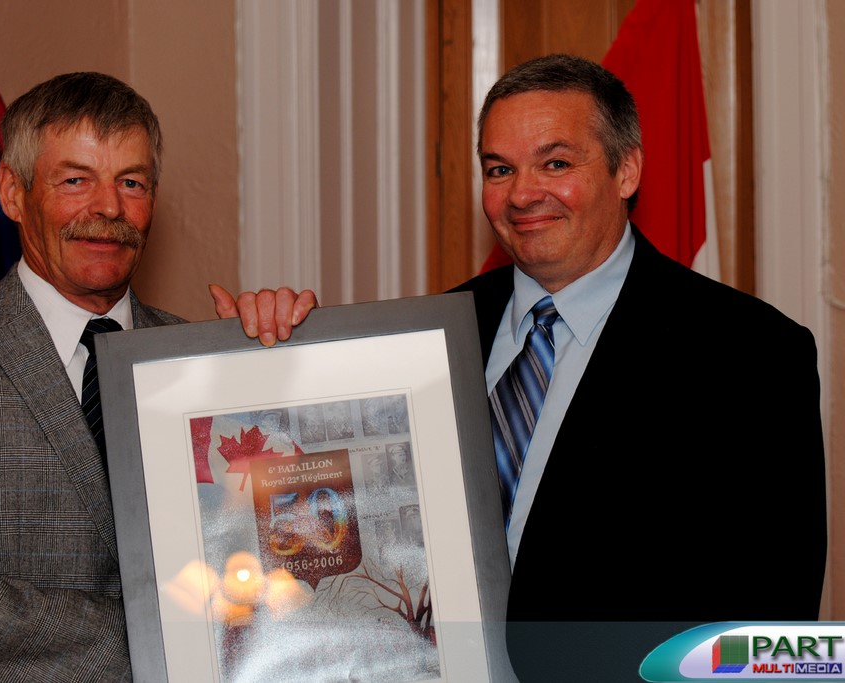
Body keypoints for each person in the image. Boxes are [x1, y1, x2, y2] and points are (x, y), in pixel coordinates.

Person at [215, 54, 826, 682]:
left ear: (626, 170)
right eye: (499, 169)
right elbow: (324, 522)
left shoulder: (752, 357)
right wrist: (264, 357)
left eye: (555, 163)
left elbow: (767, 638)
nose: (522, 194)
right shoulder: (421, 342)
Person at [0, 72, 315, 682]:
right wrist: (156, 638)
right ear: (12, 192)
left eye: (131, 182)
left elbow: (281, 550)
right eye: (75, 180)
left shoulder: (203, 360)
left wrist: (281, 372)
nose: (109, 208)